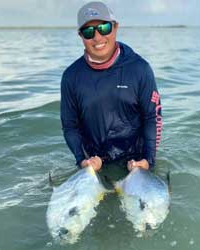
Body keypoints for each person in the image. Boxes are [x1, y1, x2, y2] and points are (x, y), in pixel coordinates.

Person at [60, 1, 162, 173]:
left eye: (104, 28)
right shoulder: (71, 76)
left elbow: (153, 117)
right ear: (81, 36)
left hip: (136, 162)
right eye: (89, 31)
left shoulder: (140, 69)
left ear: (115, 27)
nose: (97, 37)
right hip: (95, 162)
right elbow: (69, 126)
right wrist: (82, 160)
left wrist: (148, 161)